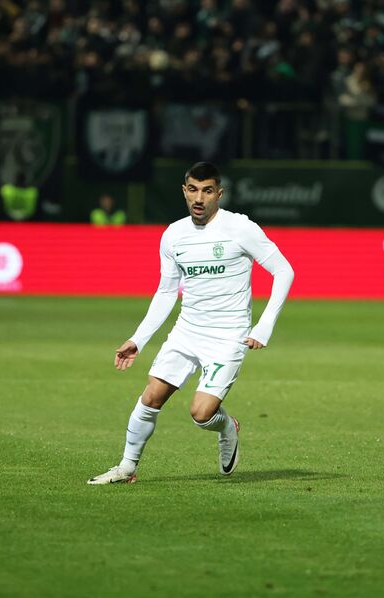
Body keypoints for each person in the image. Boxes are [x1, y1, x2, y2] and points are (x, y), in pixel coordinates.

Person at [88, 161, 295, 485]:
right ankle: (126, 468)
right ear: (184, 191)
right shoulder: (174, 235)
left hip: (229, 336)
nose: (199, 198)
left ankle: (227, 426)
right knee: (151, 397)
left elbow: (284, 271)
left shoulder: (240, 228)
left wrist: (264, 326)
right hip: (187, 331)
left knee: (201, 414)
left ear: (219, 194)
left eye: (207, 191)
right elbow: (167, 291)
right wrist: (138, 339)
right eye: (193, 190)